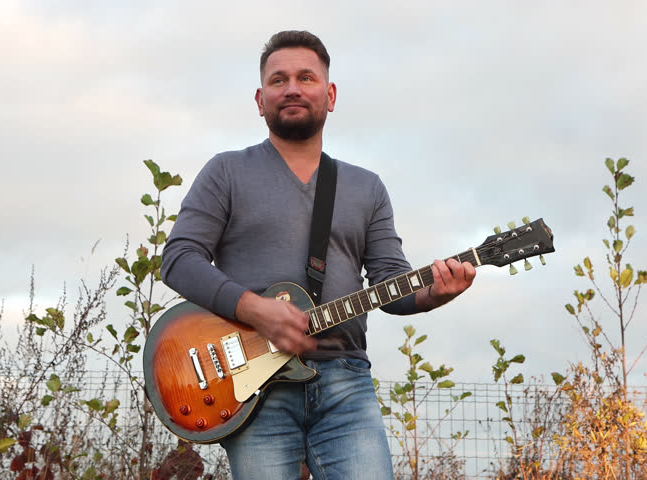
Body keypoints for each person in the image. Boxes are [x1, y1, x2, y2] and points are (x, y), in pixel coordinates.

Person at [161, 30, 475, 480]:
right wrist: (254, 310)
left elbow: (393, 284)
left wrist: (434, 293)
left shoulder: (366, 187)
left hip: (347, 384)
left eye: (306, 78)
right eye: (278, 79)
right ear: (259, 98)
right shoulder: (226, 171)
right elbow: (179, 258)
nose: (291, 88)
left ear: (329, 95)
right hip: (252, 389)